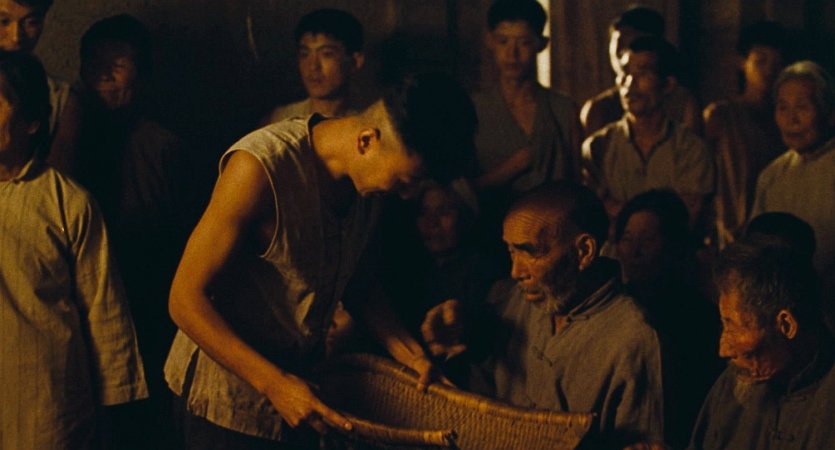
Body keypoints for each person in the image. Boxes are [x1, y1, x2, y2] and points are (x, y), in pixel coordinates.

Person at [164, 72, 478, 448]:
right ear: (367, 141)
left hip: (302, 393)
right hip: (224, 404)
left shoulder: (370, 186)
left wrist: (412, 357)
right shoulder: (261, 167)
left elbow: (359, 283)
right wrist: (275, 385)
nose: (407, 195)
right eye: (405, 181)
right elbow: (184, 300)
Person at [424, 182, 665, 448]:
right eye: (511, 251)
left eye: (530, 253)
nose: (517, 271)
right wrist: (460, 327)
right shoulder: (523, 296)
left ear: (584, 252)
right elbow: (487, 340)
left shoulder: (633, 339)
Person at [0, 52, 148, 449]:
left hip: (45, 410)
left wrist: (114, 412)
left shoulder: (66, 203)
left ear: (32, 120)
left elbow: (106, 315)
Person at [73, 14, 193, 449]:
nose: (105, 75)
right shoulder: (67, 135)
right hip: (82, 302)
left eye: (118, 65)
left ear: (140, 74)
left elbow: (182, 231)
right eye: (95, 63)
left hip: (148, 300)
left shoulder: (161, 144)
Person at [688, 237, 835, 449]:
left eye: (734, 327)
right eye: (723, 324)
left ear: (786, 325)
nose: (723, 349)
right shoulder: (733, 385)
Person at [613, 189, 721, 448]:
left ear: (673, 245)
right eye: (627, 238)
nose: (634, 251)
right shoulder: (613, 309)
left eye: (648, 239)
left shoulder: (697, 316)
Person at [582, 35, 714, 234]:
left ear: (668, 85)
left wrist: (618, 208)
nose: (629, 83)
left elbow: (683, 221)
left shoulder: (690, 149)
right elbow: (593, 216)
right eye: (625, 72)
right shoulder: (598, 146)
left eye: (643, 73)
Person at [750, 60, 835, 327]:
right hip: (785, 317)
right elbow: (757, 249)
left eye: (802, 107)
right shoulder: (772, 176)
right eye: (783, 107)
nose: (791, 119)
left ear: (829, 113)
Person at [704, 21, 789, 247]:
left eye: (777, 63)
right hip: (729, 236)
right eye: (761, 61)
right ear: (742, 62)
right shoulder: (722, 116)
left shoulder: (787, 120)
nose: (770, 71)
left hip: (775, 236)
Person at [581, 5, 701, 136]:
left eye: (632, 45)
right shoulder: (598, 110)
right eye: (617, 44)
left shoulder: (682, 104)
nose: (622, 53)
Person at [0, 0, 81, 168]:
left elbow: (54, 178)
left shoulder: (60, 98)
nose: (16, 37)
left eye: (31, 22)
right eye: (3, 21)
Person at [263, 8, 365, 123]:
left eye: (326, 54)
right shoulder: (279, 119)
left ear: (355, 61)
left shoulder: (365, 122)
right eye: (304, 54)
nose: (313, 66)